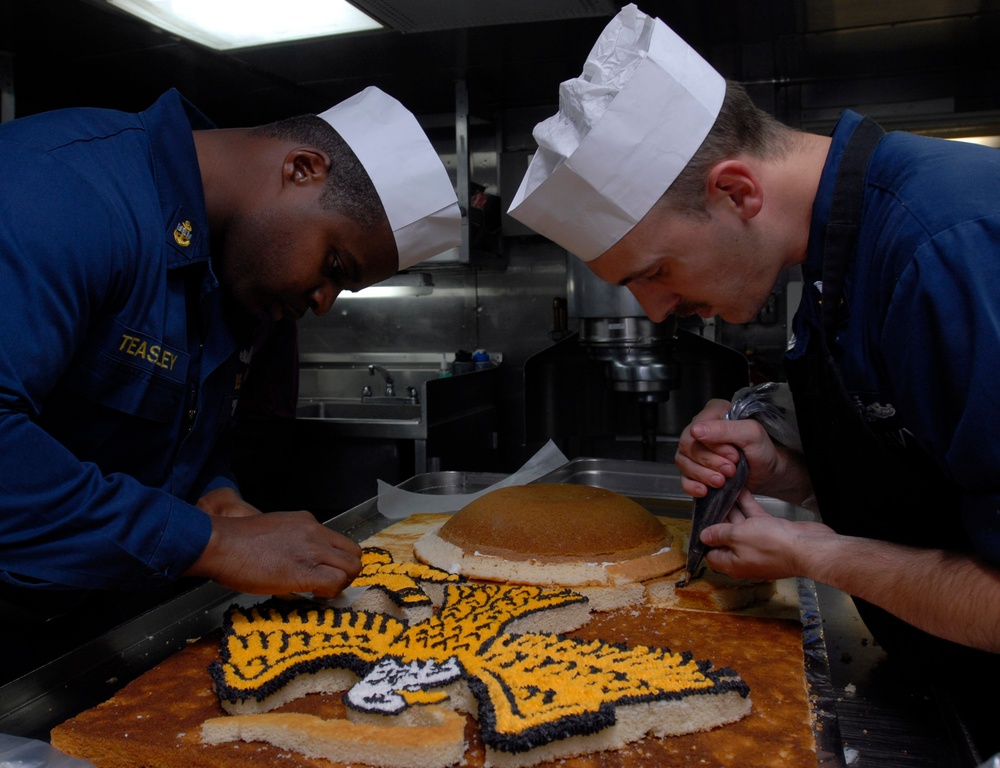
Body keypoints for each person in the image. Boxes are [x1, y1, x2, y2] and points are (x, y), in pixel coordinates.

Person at [509, 3, 1000, 751]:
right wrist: (796, 475)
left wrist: (816, 554)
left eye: (657, 273)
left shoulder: (947, 249)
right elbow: (933, 486)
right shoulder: (835, 262)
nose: (660, 311)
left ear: (736, 193)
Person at [0, 86, 461, 612]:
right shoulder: (59, 190)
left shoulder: (235, 271)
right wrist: (210, 542)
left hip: (99, 612)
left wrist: (215, 493)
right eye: (335, 269)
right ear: (302, 169)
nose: (324, 303)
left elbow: (175, 421)